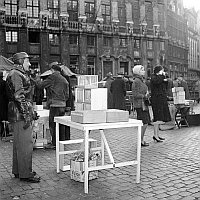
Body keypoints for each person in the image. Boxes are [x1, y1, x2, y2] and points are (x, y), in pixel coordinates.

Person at [6, 52, 40, 183]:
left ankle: (19, 171)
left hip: (18, 113)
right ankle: (25, 173)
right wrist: (27, 115)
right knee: (26, 144)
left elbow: (21, 96)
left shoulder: (17, 74)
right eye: (27, 61)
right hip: (20, 114)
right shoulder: (16, 74)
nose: (29, 64)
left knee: (19, 144)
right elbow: (19, 96)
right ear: (20, 61)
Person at [36, 62, 69, 148]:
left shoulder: (53, 77)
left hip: (55, 105)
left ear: (52, 70)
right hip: (62, 104)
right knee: (61, 124)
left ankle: (55, 144)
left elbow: (40, 85)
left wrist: (37, 79)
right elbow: (67, 95)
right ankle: (61, 143)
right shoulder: (64, 79)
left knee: (53, 125)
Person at [150, 65, 171, 142]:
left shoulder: (160, 77)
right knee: (157, 117)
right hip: (156, 99)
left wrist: (165, 80)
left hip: (161, 98)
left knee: (159, 117)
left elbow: (165, 86)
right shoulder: (154, 77)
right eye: (161, 70)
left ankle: (157, 134)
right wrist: (162, 76)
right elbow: (156, 82)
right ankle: (155, 135)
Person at [132, 65, 151, 147]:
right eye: (142, 70)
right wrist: (144, 96)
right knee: (144, 122)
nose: (144, 71)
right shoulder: (136, 81)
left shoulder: (141, 80)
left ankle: (141, 139)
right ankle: (140, 140)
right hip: (140, 104)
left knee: (145, 122)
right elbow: (135, 94)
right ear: (138, 71)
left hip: (143, 104)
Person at [0, 71, 9, 138]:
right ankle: (5, 132)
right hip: (3, 101)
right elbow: (7, 92)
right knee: (4, 116)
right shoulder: (4, 83)